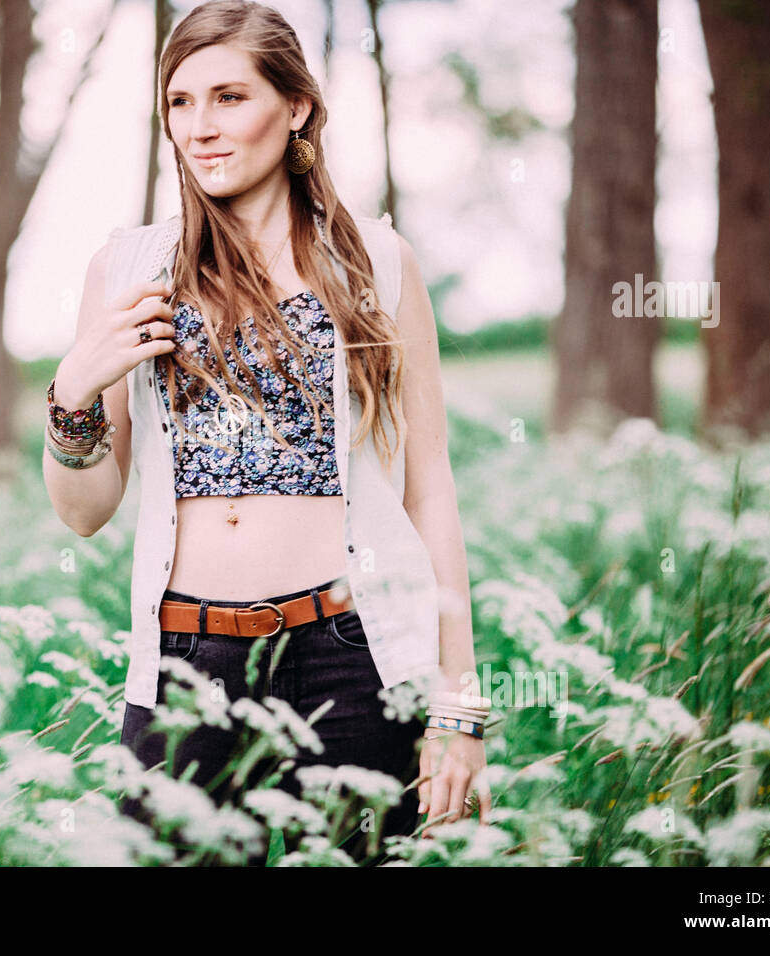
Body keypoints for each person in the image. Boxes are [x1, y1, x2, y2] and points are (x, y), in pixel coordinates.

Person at [42, 0, 490, 864]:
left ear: (296, 108)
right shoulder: (128, 269)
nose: (199, 127)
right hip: (185, 665)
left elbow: (429, 488)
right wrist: (75, 389)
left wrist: (457, 709)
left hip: (353, 654)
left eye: (229, 97)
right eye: (180, 102)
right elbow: (84, 511)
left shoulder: (378, 264)